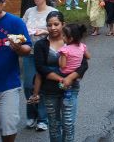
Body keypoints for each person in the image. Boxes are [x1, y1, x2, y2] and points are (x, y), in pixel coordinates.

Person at [34, 11, 88, 142]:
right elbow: (41, 67)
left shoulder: (73, 43)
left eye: (56, 24)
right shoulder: (40, 45)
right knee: (54, 124)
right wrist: (60, 79)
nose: (53, 28)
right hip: (49, 90)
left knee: (68, 123)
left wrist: (69, 78)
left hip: (70, 88)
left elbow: (84, 64)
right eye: (49, 25)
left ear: (63, 24)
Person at [0, 0, 32, 142]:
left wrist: (19, 49)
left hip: (8, 84)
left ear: (4, 2)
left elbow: (28, 47)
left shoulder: (14, 22)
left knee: (9, 127)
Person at [21, 0, 56, 131]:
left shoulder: (53, 12)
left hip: (46, 54)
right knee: (28, 85)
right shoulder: (29, 11)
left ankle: (43, 118)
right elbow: (21, 28)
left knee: (41, 86)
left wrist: (44, 31)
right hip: (29, 53)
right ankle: (31, 115)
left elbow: (59, 32)